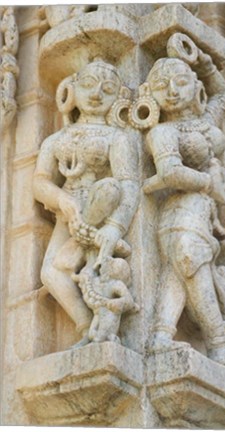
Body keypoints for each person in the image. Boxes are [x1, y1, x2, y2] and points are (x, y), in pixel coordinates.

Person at [143, 44, 225, 372]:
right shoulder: (162, 132)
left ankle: (160, 336)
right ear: (150, 95)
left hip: (201, 214)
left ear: (195, 86)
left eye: (181, 82)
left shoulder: (205, 120)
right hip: (179, 211)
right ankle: (219, 345)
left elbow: (222, 95)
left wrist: (203, 63)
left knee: (179, 269)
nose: (172, 90)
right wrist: (208, 184)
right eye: (161, 86)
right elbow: (169, 173)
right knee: (187, 260)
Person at [33, 60, 139, 348]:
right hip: (69, 211)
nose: (96, 95)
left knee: (108, 189)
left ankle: (103, 323)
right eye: (88, 85)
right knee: (51, 273)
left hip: (101, 209)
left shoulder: (118, 138)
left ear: (118, 98)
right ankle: (85, 326)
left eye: (107, 89)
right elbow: (39, 182)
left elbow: (128, 184)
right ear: (71, 89)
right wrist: (63, 200)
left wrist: (115, 228)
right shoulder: (57, 139)